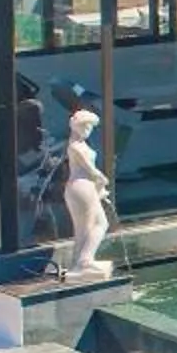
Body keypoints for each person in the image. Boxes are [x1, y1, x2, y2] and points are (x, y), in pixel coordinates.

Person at [64, 109, 114, 281]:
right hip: (81, 187)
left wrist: (99, 188)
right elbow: (92, 171)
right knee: (88, 226)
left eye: (90, 126)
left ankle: (82, 260)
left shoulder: (82, 145)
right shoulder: (75, 146)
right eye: (84, 125)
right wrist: (102, 180)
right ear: (75, 126)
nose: (88, 129)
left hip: (87, 187)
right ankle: (83, 262)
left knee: (99, 224)